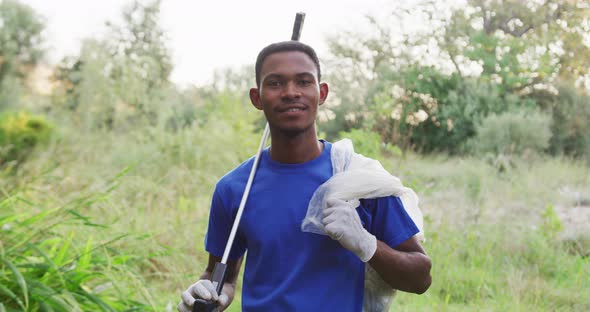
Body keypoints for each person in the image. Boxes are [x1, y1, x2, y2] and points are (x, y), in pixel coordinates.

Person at [177, 41, 432, 312]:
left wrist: (366, 243)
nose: (290, 93)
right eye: (275, 83)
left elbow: (420, 278)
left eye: (303, 81)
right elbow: (222, 280)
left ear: (321, 93)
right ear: (257, 97)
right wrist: (203, 296)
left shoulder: (357, 180)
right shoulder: (234, 188)